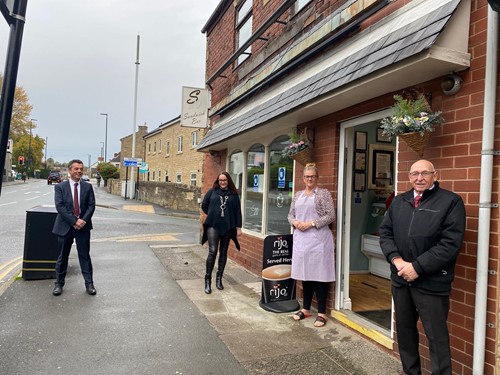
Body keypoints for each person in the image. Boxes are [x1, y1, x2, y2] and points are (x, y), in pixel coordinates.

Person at [379, 159, 466, 375]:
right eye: (415, 173)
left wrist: (417, 267)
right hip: (400, 279)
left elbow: (450, 244)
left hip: (432, 282)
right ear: (409, 176)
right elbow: (386, 234)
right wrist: (397, 260)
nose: (419, 178)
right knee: (405, 333)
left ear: (435, 175)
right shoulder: (399, 202)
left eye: (425, 173)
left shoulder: (450, 202)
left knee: (437, 338)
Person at [287, 163, 335, 327]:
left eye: (312, 176)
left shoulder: (323, 194)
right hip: (302, 240)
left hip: (319, 240)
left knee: (320, 276)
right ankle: (306, 309)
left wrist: (311, 223)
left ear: (317, 178)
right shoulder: (298, 195)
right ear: (303, 178)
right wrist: (295, 222)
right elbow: (290, 214)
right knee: (305, 275)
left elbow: (331, 215)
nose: (309, 179)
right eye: (307, 176)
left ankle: (322, 313)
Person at [52, 159, 97, 296]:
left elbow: (91, 205)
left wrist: (83, 220)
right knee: (62, 257)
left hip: (83, 226)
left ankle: (89, 284)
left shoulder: (88, 187)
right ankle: (59, 284)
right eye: (76, 169)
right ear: (70, 170)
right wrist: (74, 221)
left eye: (81, 169)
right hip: (65, 226)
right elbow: (60, 206)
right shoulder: (60, 187)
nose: (79, 171)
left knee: (84, 256)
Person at [201, 172, 242, 294]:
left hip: (228, 227)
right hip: (213, 225)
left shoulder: (234, 195)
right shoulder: (212, 192)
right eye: (220, 180)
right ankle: (207, 280)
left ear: (228, 181)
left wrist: (238, 227)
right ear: (218, 181)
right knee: (213, 251)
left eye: (224, 180)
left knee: (223, 252)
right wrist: (213, 214)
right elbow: (204, 205)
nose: (222, 182)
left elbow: (237, 211)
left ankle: (219, 279)